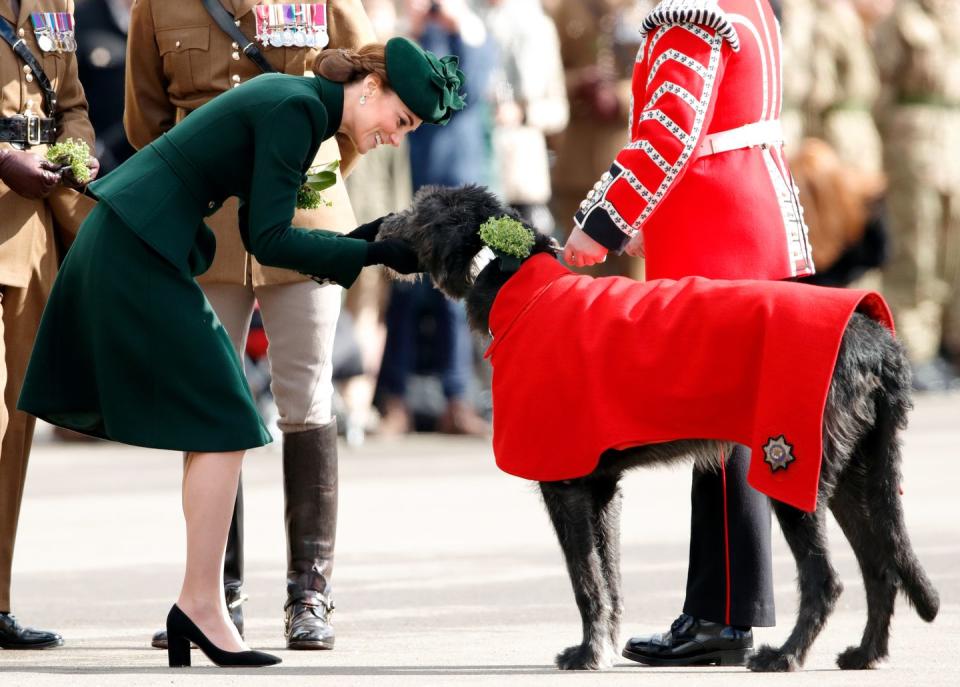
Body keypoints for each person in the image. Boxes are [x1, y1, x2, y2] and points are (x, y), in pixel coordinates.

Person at [18, 37, 465, 667]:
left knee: (221, 421)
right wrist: (369, 254)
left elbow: (267, 225)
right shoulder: (298, 110)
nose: (397, 136)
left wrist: (368, 239)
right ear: (371, 91)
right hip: (137, 246)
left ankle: (200, 603)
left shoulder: (301, 104)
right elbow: (271, 239)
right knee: (226, 417)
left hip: (140, 239)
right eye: (402, 120)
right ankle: (201, 604)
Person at [563, 0, 814, 667]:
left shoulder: (691, 15)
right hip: (744, 212)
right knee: (737, 424)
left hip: (719, 228)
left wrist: (604, 220)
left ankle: (721, 616)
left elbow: (672, 130)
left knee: (721, 426)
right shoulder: (745, 6)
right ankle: (723, 610)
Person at [123, 0, 376, 651]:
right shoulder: (160, 6)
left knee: (307, 398)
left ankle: (310, 593)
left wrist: (309, 174)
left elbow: (369, 90)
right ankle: (214, 592)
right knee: (212, 402)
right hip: (209, 230)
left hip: (304, 212)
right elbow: (146, 121)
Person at [0, 0, 98, 651]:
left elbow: (72, 103)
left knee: (15, 417)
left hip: (30, 228)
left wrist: (77, 154)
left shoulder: (51, 2)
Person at [874, 0, 960, 390]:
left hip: (952, 133)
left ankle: (948, 343)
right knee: (917, 249)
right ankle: (916, 351)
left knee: (951, 248)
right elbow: (881, 84)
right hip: (916, 139)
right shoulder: (904, 17)